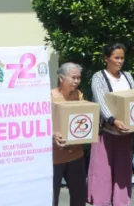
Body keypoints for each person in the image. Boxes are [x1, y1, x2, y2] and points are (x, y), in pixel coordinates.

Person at [88, 43, 134, 206]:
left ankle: (122, 202)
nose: (120, 61)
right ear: (106, 59)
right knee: (102, 172)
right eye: (116, 58)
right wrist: (113, 120)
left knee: (123, 172)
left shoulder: (127, 76)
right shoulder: (99, 77)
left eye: (122, 58)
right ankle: (101, 203)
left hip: (125, 132)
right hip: (106, 131)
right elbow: (101, 100)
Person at [52, 62, 87, 206]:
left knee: (79, 196)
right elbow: (41, 124)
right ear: (61, 78)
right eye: (73, 78)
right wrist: (52, 135)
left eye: (78, 78)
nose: (76, 81)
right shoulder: (50, 97)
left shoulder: (78, 95)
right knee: (52, 197)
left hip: (76, 154)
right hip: (55, 157)